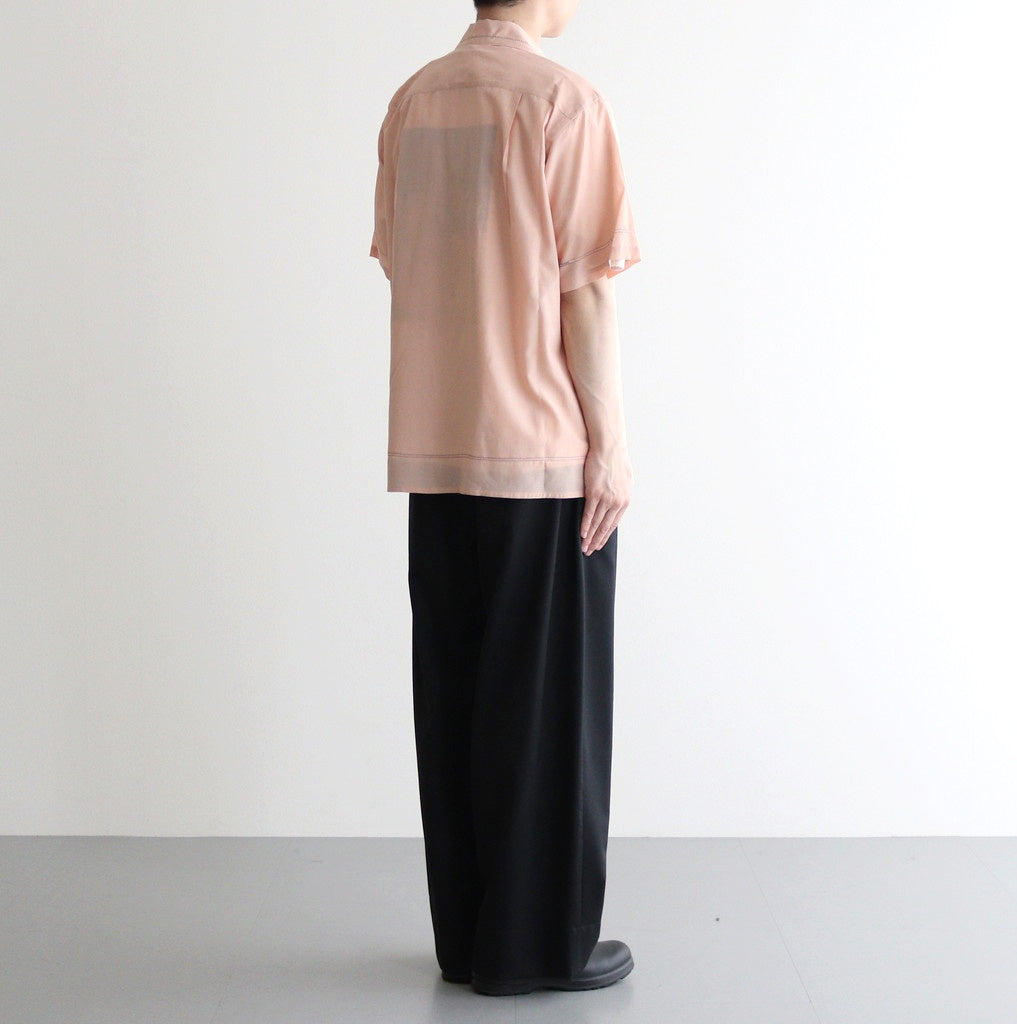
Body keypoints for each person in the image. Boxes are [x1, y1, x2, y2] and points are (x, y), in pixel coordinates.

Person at [369, 0, 642, 997]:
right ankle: (536, 948)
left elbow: (405, 260)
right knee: (546, 709)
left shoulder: (414, 103)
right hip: (537, 454)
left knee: (455, 698)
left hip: (437, 446)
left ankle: (470, 935)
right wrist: (610, 447)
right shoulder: (562, 101)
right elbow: (586, 289)